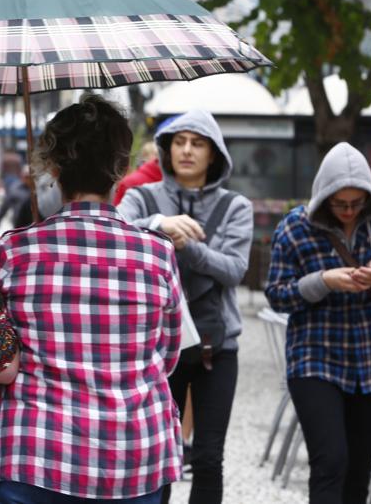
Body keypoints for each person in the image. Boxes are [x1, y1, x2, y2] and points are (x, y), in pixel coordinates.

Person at [0, 94, 183, 504]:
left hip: (33, 454)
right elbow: (166, 355)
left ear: (54, 170)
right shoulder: (156, 253)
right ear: (122, 168)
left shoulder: (14, 252)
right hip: (136, 456)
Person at [265, 142, 371, 504]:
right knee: (330, 461)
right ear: (324, 197)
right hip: (314, 358)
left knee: (359, 469)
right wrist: (324, 281)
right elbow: (276, 294)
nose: (349, 211)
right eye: (340, 204)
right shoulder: (295, 228)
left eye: (357, 203)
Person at [116, 109, 252, 504]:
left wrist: (188, 247)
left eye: (198, 143)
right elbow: (119, 230)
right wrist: (160, 223)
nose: (187, 150)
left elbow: (234, 270)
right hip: (157, 348)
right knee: (155, 457)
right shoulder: (144, 196)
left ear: (214, 154)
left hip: (217, 346)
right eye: (179, 142)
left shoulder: (235, 206)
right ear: (166, 149)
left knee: (209, 457)